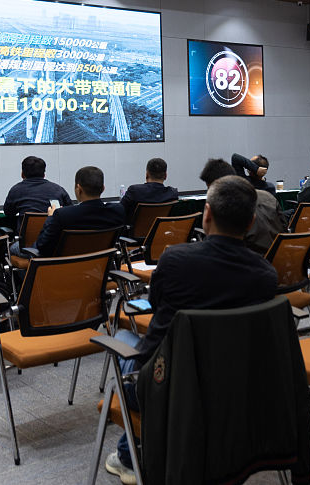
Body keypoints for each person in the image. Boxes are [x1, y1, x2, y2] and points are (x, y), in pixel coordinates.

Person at [105, 175, 277, 484]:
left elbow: (157, 305)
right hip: (237, 392)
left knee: (122, 338)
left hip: (168, 392)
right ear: (251, 222)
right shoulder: (266, 274)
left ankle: (131, 457)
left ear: (206, 214)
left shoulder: (175, 260)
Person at [31, 166, 125, 258]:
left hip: (64, 269)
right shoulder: (117, 210)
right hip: (99, 268)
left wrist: (50, 217)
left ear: (79, 189)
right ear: (103, 188)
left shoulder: (62, 215)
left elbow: (42, 246)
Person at [201, 158, 282, 254]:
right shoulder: (270, 196)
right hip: (275, 255)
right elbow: (283, 227)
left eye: (210, 188)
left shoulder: (230, 206)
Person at [4, 156, 72, 217]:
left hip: (27, 231)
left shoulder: (16, 190)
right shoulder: (58, 189)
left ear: (22, 174)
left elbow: (8, 213)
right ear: (44, 175)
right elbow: (70, 211)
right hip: (53, 230)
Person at [119, 158, 179, 223]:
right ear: (165, 176)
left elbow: (119, 212)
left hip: (136, 232)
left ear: (147, 174)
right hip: (161, 232)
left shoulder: (134, 191)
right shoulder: (172, 194)